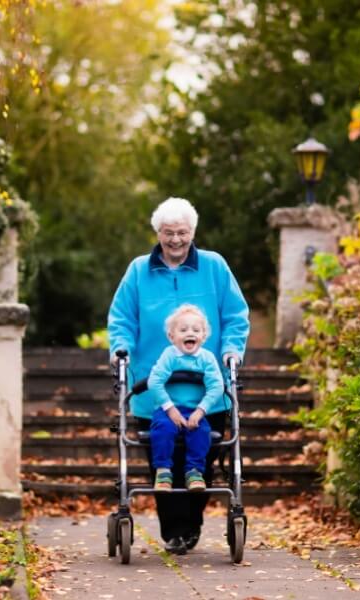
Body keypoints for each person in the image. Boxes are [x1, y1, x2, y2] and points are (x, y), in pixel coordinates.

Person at [108, 196, 249, 555]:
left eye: (182, 233)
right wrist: (120, 348)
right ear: (157, 233)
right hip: (153, 390)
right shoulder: (139, 271)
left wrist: (232, 349)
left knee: (201, 456)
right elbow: (122, 317)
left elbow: (235, 314)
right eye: (168, 233)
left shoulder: (214, 267)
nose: (175, 241)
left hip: (207, 389)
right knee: (162, 459)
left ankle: (191, 524)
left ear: (193, 232)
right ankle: (174, 530)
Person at [148, 304, 224, 493]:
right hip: (168, 410)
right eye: (183, 330)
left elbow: (217, 386)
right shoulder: (169, 355)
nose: (190, 333)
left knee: (201, 431)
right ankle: (163, 471)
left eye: (196, 330)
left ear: (203, 336)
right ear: (171, 337)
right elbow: (154, 381)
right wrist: (170, 409)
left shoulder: (206, 358)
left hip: (194, 410)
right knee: (163, 429)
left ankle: (194, 471)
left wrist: (200, 411)